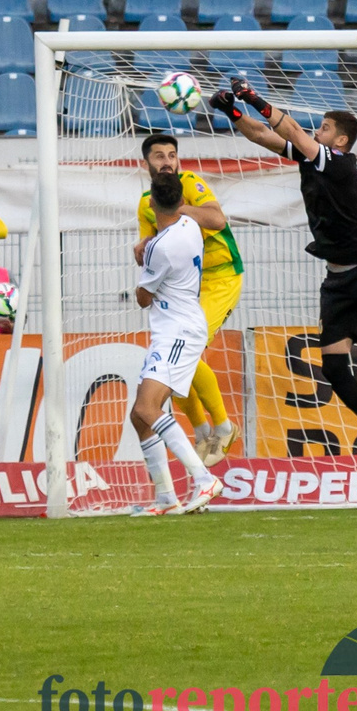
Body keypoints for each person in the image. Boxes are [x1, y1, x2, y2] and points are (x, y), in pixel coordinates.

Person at [212, 80, 357, 479]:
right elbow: (265, 137)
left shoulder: (340, 162)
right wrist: (233, 111)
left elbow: (291, 130)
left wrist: (253, 96)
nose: (317, 131)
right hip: (336, 278)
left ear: (341, 139)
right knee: (332, 365)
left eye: (325, 128)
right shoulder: (313, 158)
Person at [135, 134, 241, 461]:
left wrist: (179, 209)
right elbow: (148, 247)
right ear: (146, 164)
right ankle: (202, 430)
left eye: (171, 155)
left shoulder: (191, 183)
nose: (167, 161)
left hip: (221, 277)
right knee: (170, 362)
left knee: (185, 355)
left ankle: (223, 427)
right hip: (185, 288)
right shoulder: (146, 203)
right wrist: (142, 248)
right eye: (158, 156)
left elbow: (217, 219)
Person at [129, 173, 222, 516]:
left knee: (147, 410)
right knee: (139, 417)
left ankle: (203, 478)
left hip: (176, 332)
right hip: (180, 327)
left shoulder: (158, 247)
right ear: (182, 202)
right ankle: (166, 497)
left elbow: (142, 298)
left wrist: (140, 260)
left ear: (151, 204)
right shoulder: (191, 226)